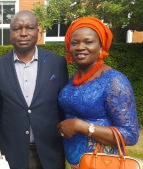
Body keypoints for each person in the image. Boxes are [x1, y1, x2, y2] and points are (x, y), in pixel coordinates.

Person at [0, 10, 69, 169]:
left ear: (38, 32)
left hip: (49, 151)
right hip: (13, 151)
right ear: (10, 33)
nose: (23, 33)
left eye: (29, 28)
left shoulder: (57, 63)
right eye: (17, 28)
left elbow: (63, 107)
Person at [57, 17, 139, 169]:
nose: (80, 47)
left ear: (101, 47)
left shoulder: (114, 81)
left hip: (102, 163)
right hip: (75, 164)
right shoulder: (74, 78)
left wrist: (82, 126)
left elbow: (130, 135)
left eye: (88, 42)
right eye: (75, 43)